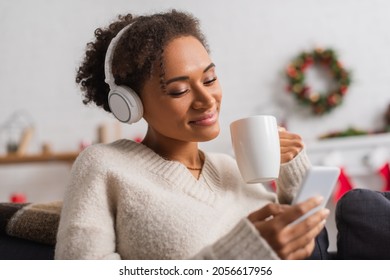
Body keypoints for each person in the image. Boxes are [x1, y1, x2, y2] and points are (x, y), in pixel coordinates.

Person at [55, 10, 329, 260]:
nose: (206, 100)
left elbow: (299, 248)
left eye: (209, 80)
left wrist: (294, 179)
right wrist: (241, 255)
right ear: (130, 104)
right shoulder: (104, 166)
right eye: (179, 91)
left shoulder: (232, 168)